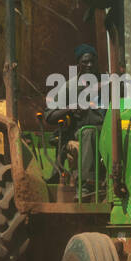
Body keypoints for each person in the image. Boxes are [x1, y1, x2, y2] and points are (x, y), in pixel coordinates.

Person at [44, 43, 106, 197]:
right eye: (85, 62)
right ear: (78, 64)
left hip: (106, 130)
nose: (89, 65)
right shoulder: (70, 88)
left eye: (92, 61)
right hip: (82, 131)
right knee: (89, 132)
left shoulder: (107, 85)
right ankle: (87, 185)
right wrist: (70, 109)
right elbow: (49, 116)